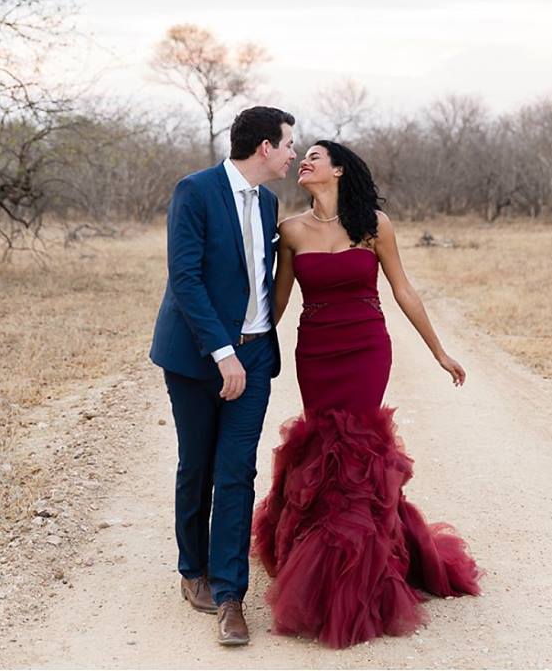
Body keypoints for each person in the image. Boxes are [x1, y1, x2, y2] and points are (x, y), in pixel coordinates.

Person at [252, 140, 484, 649]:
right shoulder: (289, 230)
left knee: (357, 450)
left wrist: (439, 352)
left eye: (315, 155)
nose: (304, 162)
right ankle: (321, 568)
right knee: (322, 449)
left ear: (338, 169)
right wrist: (243, 349)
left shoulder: (374, 225)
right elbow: (276, 303)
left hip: (365, 348)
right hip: (315, 351)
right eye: (302, 155)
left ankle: (364, 572)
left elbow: (403, 290)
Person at [150, 106, 296, 646]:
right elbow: (185, 278)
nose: (291, 153)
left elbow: (259, 282)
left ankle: (231, 595)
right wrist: (221, 350)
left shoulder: (270, 202)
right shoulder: (196, 190)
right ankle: (194, 572)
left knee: (236, 470)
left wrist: (247, 347)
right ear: (263, 146)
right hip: (195, 357)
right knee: (198, 466)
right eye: (287, 144)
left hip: (255, 358)